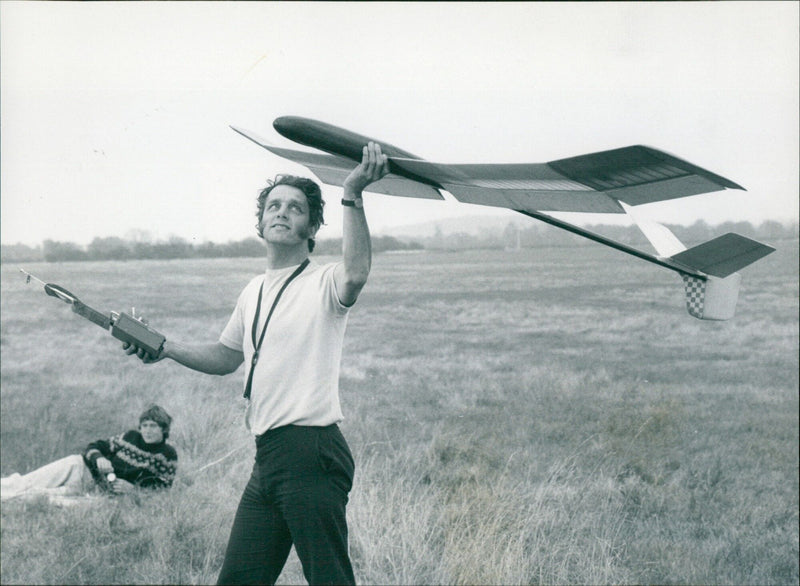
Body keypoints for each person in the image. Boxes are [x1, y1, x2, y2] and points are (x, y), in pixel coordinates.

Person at [122, 142, 390, 585]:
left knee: (330, 579)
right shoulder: (253, 290)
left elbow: (357, 272)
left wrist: (352, 193)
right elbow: (227, 357)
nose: (282, 212)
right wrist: (163, 346)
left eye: (296, 208)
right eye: (274, 206)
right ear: (261, 222)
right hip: (267, 458)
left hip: (311, 452)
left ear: (312, 227)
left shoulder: (324, 282)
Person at [1, 404, 177, 501]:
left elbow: (163, 490)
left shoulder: (167, 455)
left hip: (99, 492)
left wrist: (133, 489)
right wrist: (99, 457)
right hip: (80, 468)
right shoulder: (130, 437)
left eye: (153, 426)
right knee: (25, 482)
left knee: (36, 496)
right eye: (144, 426)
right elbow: (93, 446)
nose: (147, 430)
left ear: (164, 429)